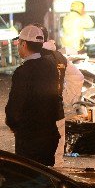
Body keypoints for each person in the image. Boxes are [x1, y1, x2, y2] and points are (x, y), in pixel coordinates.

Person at [5, 25, 61, 166]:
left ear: (24, 44)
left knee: (30, 180)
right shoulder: (50, 66)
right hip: (49, 135)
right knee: (47, 177)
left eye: (19, 43)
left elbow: (15, 106)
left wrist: (13, 124)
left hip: (29, 139)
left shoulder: (22, 72)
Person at [35, 23, 84, 167]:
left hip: (38, 114)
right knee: (57, 158)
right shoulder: (59, 57)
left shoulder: (36, 59)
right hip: (57, 112)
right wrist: (65, 99)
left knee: (37, 160)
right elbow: (78, 77)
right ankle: (59, 187)